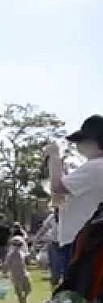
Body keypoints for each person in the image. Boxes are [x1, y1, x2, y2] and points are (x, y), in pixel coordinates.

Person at [46, 114, 103, 272]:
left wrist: (54, 157)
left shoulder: (94, 167)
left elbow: (57, 187)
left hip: (80, 242)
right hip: (91, 241)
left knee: (76, 293)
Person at [32, 207, 62, 290]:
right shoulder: (51, 217)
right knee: (55, 273)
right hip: (54, 245)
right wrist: (35, 241)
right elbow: (43, 230)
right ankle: (54, 293)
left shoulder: (69, 216)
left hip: (67, 245)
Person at [2, 235, 32, 303]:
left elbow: (26, 262)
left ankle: (24, 298)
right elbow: (6, 264)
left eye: (19, 244)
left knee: (28, 289)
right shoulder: (10, 254)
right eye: (15, 244)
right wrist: (4, 272)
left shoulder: (22, 253)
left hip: (24, 273)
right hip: (15, 275)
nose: (17, 246)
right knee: (19, 290)